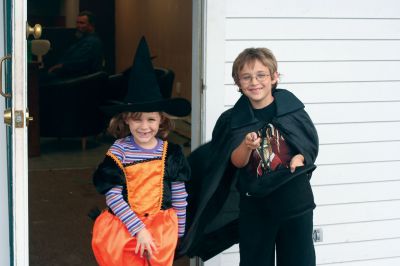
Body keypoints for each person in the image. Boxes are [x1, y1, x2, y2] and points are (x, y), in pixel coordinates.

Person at [179, 47, 319, 266]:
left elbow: (308, 145)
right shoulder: (232, 120)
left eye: (261, 75)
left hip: (294, 202)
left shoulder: (293, 110)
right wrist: (246, 146)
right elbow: (234, 162)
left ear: (274, 77)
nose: (255, 82)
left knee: (298, 261)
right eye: (246, 77)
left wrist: (300, 158)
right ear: (238, 83)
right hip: (256, 206)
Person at [91, 37, 191, 266]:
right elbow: (113, 196)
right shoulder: (119, 151)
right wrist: (139, 230)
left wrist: (180, 235)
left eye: (151, 119)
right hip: (125, 229)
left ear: (161, 120)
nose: (144, 126)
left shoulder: (172, 153)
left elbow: (179, 196)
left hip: (162, 231)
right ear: (126, 119)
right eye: (136, 119)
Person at [47, 11, 103, 78]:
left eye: (82, 23)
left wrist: (60, 66)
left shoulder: (91, 42)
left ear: (91, 25)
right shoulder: (84, 40)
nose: (78, 26)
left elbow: (78, 63)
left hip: (79, 81)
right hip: (73, 78)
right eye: (77, 23)